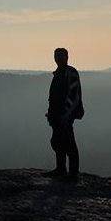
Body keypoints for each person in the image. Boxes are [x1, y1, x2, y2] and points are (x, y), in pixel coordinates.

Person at [45, 47, 84, 179]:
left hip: (65, 115)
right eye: (56, 56)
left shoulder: (70, 73)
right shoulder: (59, 73)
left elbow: (73, 96)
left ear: (67, 57)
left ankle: (73, 173)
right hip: (57, 115)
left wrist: (66, 114)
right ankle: (60, 169)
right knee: (57, 141)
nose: (58, 59)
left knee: (69, 143)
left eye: (61, 56)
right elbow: (55, 96)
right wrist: (51, 113)